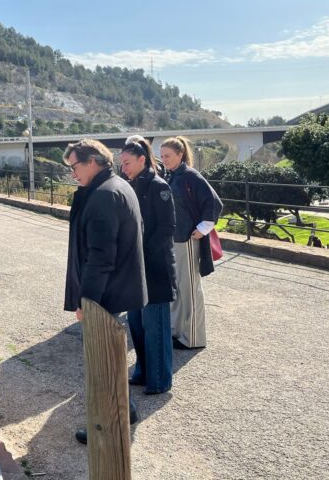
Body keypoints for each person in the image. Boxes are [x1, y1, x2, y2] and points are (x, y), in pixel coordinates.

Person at [63, 139, 147, 445]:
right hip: (118, 287)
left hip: (106, 293)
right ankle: (127, 410)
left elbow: (100, 257)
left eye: (75, 166)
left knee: (102, 362)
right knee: (109, 359)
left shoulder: (103, 196)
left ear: (94, 160)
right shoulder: (116, 186)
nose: (73, 174)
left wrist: (88, 301)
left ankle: (108, 423)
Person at [119, 135, 177, 395]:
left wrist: (142, 254)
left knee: (156, 327)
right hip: (135, 269)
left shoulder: (158, 186)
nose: (124, 168)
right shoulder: (129, 186)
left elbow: (167, 229)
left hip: (154, 268)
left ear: (142, 159)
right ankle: (142, 371)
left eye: (128, 162)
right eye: (122, 164)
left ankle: (159, 379)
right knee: (137, 325)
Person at [159, 136, 222, 350]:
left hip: (186, 240)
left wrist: (203, 228)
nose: (164, 159)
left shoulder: (190, 176)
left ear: (179, 154)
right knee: (177, 288)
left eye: (167, 155)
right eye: (162, 156)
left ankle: (193, 338)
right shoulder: (173, 176)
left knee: (189, 289)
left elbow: (214, 202)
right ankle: (178, 332)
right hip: (176, 240)